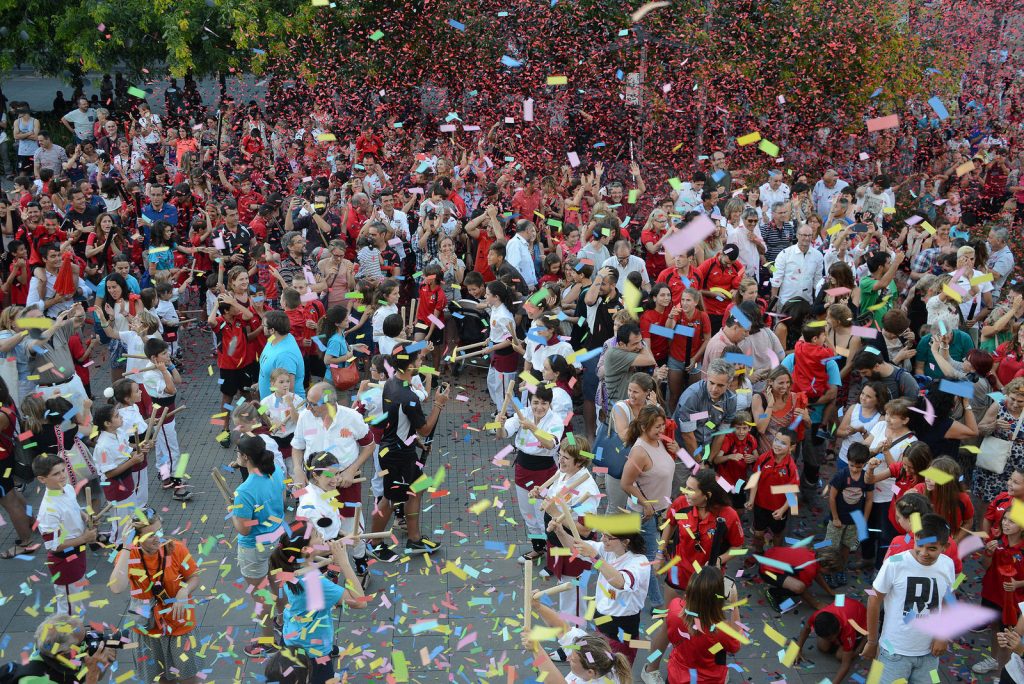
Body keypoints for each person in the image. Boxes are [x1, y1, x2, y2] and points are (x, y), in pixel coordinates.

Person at [644, 470, 743, 683]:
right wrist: (660, 553)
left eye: (691, 489)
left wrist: (720, 560)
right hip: (679, 574)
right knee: (667, 624)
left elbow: (737, 546)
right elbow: (669, 524)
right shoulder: (681, 503)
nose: (685, 492)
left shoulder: (728, 515)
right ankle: (650, 667)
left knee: (710, 629)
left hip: (708, 583)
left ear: (707, 495)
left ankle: (709, 670)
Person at [368, 345, 450, 558]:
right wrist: (438, 405)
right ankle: (374, 542)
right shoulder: (409, 397)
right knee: (389, 499)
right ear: (411, 365)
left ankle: (414, 539)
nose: (422, 362)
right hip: (396, 456)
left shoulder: (391, 382)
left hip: (401, 449)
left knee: (418, 487)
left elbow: (399, 423)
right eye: (419, 359)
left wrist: (414, 441)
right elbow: (425, 428)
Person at [107, 510, 201, 684]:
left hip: (178, 622)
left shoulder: (175, 548)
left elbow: (194, 577)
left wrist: (184, 591)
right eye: (151, 535)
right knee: (160, 679)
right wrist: (126, 546)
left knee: (189, 678)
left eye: (159, 531)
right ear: (136, 537)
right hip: (147, 627)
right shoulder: (129, 554)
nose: (158, 538)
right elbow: (116, 587)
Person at [862, 514, 955, 684]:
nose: (923, 553)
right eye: (919, 545)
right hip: (893, 652)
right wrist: (872, 640)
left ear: (945, 547)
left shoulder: (948, 564)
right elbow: (873, 600)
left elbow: (948, 599)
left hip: (930, 654)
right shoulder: (894, 563)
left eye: (932, 548)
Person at [268, 527, 366, 684]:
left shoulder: (292, 563)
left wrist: (345, 542)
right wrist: (344, 562)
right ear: (306, 549)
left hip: (293, 636)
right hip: (314, 651)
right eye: (316, 535)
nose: (321, 534)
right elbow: (360, 602)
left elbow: (316, 554)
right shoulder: (314, 581)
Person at [230, 435, 285, 657]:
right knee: (277, 584)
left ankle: (267, 641)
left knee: (260, 596)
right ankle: (282, 620)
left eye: (237, 454)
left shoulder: (244, 491)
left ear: (245, 457)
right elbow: (280, 502)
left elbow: (244, 528)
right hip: (277, 536)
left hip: (254, 546)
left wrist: (234, 516)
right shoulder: (276, 471)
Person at [498, 384, 565, 564]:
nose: (539, 407)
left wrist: (533, 428)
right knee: (528, 513)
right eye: (536, 402)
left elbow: (551, 444)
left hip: (545, 473)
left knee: (544, 514)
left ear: (550, 404)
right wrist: (500, 424)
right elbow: (503, 434)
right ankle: (538, 548)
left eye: (544, 403)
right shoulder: (524, 413)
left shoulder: (556, 420)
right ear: (530, 401)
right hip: (523, 469)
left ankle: (554, 555)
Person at [619, 404, 675, 608]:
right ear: (644, 427)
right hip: (645, 515)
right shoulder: (639, 452)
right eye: (657, 427)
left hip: (662, 511)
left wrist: (676, 452)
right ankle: (658, 604)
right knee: (649, 560)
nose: (662, 430)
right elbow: (625, 483)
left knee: (646, 555)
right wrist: (646, 504)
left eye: (663, 425)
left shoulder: (660, 441)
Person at [570, 529, 650, 664]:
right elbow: (575, 547)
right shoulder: (608, 550)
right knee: (600, 666)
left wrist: (595, 557)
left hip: (621, 628)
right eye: (603, 535)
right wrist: (559, 531)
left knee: (618, 671)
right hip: (602, 620)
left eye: (608, 537)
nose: (602, 539)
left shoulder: (639, 562)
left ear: (625, 542)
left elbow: (620, 582)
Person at [34, 453, 95, 615]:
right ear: (42, 479)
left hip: (77, 554)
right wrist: (84, 538)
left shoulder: (67, 488)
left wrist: (86, 517)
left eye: (63, 470)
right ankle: (69, 638)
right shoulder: (48, 510)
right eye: (56, 474)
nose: (62, 476)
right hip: (64, 562)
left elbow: (74, 508)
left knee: (77, 600)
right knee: (69, 608)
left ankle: (78, 632)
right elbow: (54, 546)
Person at [660, 567, 743, 684]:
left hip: (676, 677)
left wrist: (705, 575)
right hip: (708, 680)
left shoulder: (674, 608)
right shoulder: (721, 630)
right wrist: (734, 603)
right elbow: (736, 645)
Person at [0, 613, 116, 683]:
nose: (88, 643)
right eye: (83, 641)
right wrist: (92, 675)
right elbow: (91, 676)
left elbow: (92, 675)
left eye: (88, 634)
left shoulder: (54, 651)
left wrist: (101, 664)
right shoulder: (36, 680)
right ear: (63, 653)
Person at [824, 444, 873, 587]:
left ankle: (840, 569)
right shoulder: (841, 475)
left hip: (854, 520)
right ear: (848, 460)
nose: (855, 469)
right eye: (852, 465)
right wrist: (835, 518)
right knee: (831, 547)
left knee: (846, 547)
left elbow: (869, 499)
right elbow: (832, 497)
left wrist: (864, 520)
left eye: (859, 466)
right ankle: (826, 571)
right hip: (838, 519)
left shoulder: (866, 478)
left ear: (865, 463)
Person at [747, 428, 799, 554]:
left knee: (777, 535)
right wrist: (751, 500)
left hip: (779, 509)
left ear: (791, 447)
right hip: (760, 505)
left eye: (783, 443)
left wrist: (782, 510)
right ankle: (759, 552)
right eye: (776, 440)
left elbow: (793, 494)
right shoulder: (763, 458)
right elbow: (755, 479)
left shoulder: (791, 467)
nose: (777, 445)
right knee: (758, 533)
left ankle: (776, 555)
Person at [793, 598, 867, 684]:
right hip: (846, 606)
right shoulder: (818, 616)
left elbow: (845, 665)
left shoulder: (848, 630)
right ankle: (840, 643)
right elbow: (806, 628)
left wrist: (857, 651)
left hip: (860, 624)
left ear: (839, 629)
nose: (828, 640)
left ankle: (861, 642)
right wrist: (798, 648)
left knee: (841, 656)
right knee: (822, 646)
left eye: (830, 638)